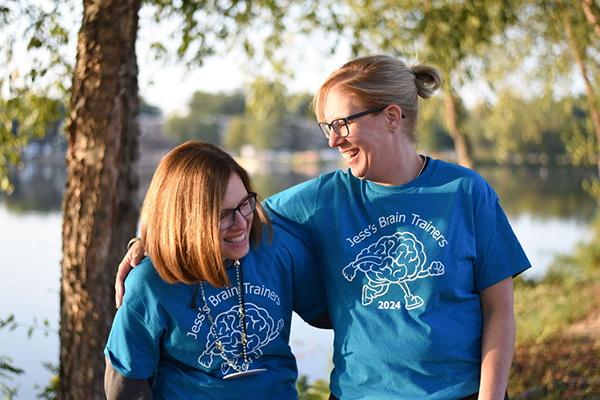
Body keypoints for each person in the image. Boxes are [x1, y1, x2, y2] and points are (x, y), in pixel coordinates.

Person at [119, 55, 531, 400]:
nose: (332, 141)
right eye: (326, 127)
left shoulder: (466, 191)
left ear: (391, 117)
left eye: (342, 124)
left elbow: (500, 310)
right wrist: (149, 242)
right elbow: (209, 212)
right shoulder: (323, 198)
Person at [104, 141, 328, 400]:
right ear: (185, 220)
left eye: (245, 203)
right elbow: (126, 388)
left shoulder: (275, 246)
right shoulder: (149, 284)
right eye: (223, 215)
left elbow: (339, 315)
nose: (241, 223)